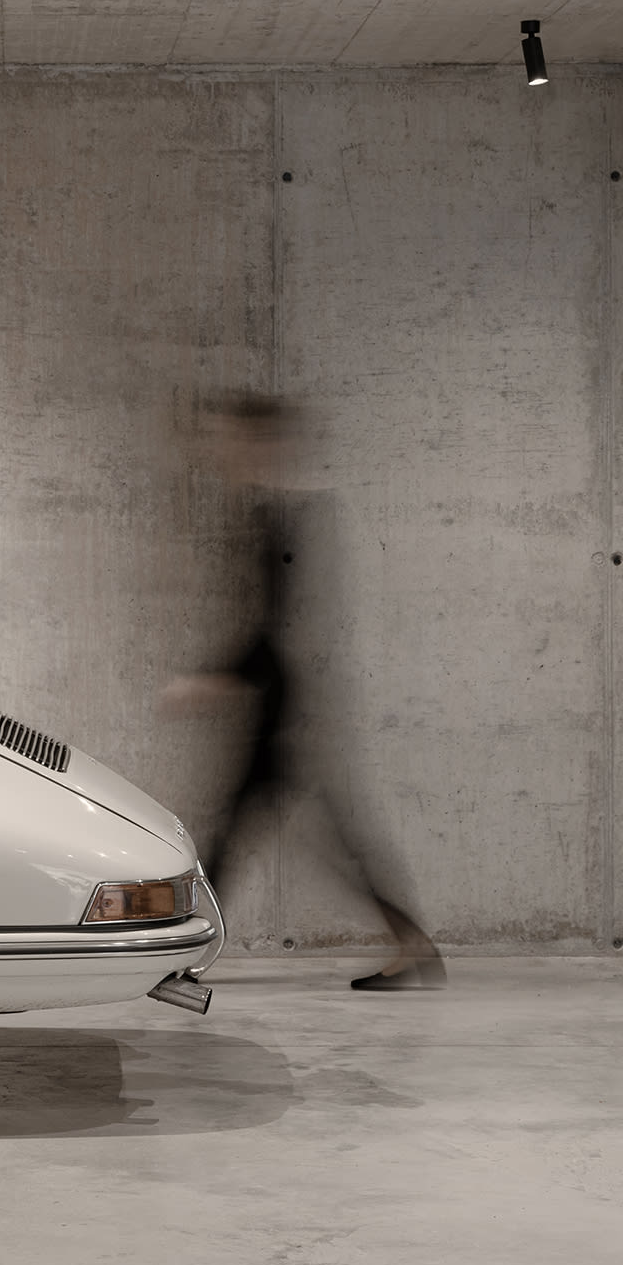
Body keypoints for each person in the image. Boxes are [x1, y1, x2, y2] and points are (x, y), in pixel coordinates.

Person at [161, 393, 445, 991]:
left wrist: (213, 680)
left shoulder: (280, 518)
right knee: (288, 836)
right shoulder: (274, 513)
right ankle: (412, 945)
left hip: (282, 710)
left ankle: (187, 958)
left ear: (261, 443)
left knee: (238, 833)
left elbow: (273, 623)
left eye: (234, 439)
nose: (224, 451)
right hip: (285, 707)